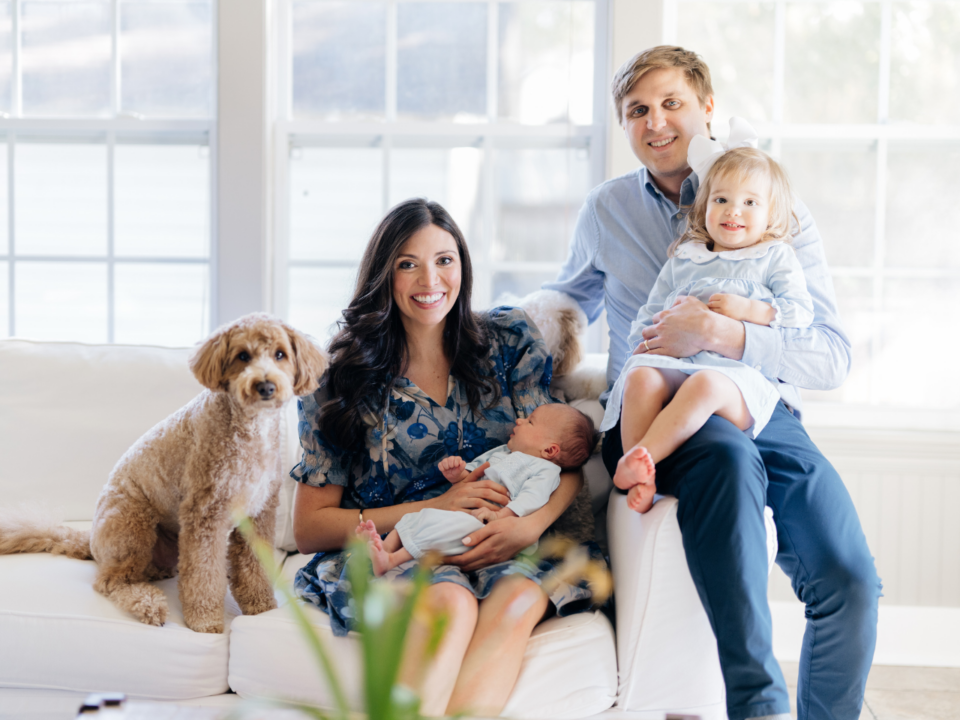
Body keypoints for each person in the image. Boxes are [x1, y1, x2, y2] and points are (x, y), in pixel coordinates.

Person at [545, 45, 881, 720]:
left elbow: (830, 356)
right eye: (638, 110)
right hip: (657, 409)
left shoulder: (772, 206)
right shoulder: (608, 209)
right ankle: (756, 704)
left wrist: (726, 335)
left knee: (849, 582)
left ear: (707, 110)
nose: (656, 122)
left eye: (672, 103)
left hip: (760, 404)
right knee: (723, 456)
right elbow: (559, 308)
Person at [291, 198, 600, 718]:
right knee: (449, 605)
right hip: (403, 549)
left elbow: (561, 461)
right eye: (407, 264)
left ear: (463, 266)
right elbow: (310, 528)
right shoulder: (336, 377)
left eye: (444, 260)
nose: (429, 279)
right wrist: (437, 503)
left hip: (511, 538)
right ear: (383, 275)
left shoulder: (508, 342)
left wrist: (534, 524)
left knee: (517, 600)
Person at [606, 138, 815, 514]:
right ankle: (642, 472)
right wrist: (644, 344)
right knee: (642, 378)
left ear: (771, 214)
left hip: (734, 377)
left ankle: (637, 459)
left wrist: (751, 309)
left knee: (705, 384)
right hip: (676, 365)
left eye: (750, 202)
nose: (733, 211)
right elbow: (651, 311)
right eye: (721, 200)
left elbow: (800, 312)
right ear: (704, 206)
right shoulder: (684, 259)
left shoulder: (773, 257)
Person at [358, 402, 596, 575]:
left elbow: (530, 499)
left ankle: (392, 560)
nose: (520, 420)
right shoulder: (504, 451)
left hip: (488, 523)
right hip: (464, 509)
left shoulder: (546, 471)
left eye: (530, 421)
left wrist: (499, 516)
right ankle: (383, 547)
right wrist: (457, 473)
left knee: (445, 529)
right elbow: (471, 476)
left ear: (550, 450)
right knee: (416, 515)